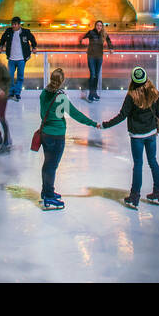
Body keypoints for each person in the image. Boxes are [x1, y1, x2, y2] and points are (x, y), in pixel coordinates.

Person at [99, 67, 159, 208]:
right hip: (151, 133)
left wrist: (105, 125)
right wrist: (154, 126)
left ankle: (134, 196)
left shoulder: (131, 96)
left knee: (138, 164)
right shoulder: (154, 93)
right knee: (153, 161)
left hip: (137, 136)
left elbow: (122, 115)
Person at [37, 67, 100, 210]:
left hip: (45, 134)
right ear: (62, 81)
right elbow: (76, 114)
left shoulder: (43, 93)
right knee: (51, 166)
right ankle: (48, 197)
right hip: (57, 136)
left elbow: (42, 113)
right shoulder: (61, 97)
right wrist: (93, 123)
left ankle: (47, 191)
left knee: (48, 164)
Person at [0, 16, 36, 101]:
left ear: (19, 25)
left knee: (20, 77)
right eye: (12, 24)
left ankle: (17, 93)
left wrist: (34, 47)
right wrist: (1, 46)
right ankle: (11, 92)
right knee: (10, 76)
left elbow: (32, 39)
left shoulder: (25, 32)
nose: (13, 26)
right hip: (11, 59)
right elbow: (2, 39)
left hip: (21, 59)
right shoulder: (8, 31)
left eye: (15, 24)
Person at [79, 20, 114, 102]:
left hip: (99, 57)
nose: (99, 27)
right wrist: (81, 42)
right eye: (97, 25)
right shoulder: (91, 32)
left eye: (100, 25)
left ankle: (94, 93)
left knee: (97, 75)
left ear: (102, 27)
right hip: (91, 56)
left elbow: (109, 40)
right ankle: (91, 94)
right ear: (95, 26)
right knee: (93, 75)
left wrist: (111, 48)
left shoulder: (104, 34)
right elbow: (82, 37)